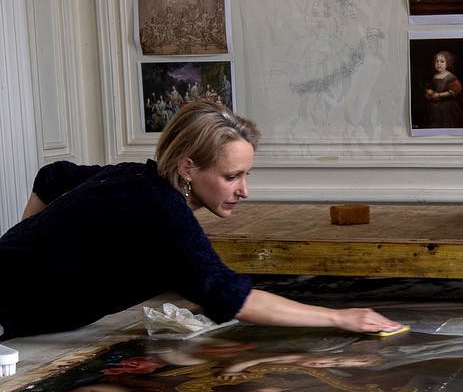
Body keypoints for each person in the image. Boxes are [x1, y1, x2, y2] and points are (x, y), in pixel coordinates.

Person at [0, 100, 401, 341]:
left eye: (246, 175)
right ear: (188, 168)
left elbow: (53, 175)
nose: (244, 190)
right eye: (231, 177)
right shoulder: (164, 214)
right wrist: (338, 317)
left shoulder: (133, 176)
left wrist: (24, 242)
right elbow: (230, 296)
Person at [419, 50, 463, 128]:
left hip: (447, 106)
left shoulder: (450, 77)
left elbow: (455, 90)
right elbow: (433, 89)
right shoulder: (435, 76)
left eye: (442, 61)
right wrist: (429, 94)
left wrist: (439, 94)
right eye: (437, 61)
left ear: (447, 63)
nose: (438, 63)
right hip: (435, 106)